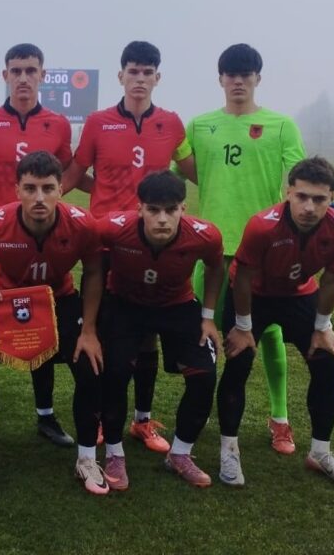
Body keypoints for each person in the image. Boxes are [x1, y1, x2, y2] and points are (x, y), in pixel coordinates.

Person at [63, 40, 196, 453]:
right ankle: (106, 418)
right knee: (107, 331)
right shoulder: (98, 122)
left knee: (148, 333)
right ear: (120, 76)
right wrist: (44, 200)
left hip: (154, 241)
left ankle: (141, 420)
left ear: (158, 78)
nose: (140, 79)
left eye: (147, 72)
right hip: (107, 241)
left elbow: (193, 171)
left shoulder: (172, 123)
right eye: (133, 71)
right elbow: (76, 172)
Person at [178, 43, 306, 455]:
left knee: (268, 335)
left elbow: (300, 180)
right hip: (212, 250)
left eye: (245, 75)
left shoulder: (281, 126)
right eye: (231, 74)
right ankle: (200, 415)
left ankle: (280, 418)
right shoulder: (199, 126)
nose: (238, 81)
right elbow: (180, 170)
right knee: (206, 333)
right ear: (220, 79)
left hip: (263, 251)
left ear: (257, 79)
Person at [0, 150, 107, 495]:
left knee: (89, 365)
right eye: (30, 188)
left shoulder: (82, 223)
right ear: (17, 190)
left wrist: (89, 330)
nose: (39, 197)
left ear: (61, 189)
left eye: (48, 188)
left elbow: (95, 272)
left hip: (57, 299)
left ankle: (87, 458)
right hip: (3, 300)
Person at [217, 156, 334, 487]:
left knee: (326, 360)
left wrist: (323, 328)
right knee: (239, 360)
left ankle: (320, 452)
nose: (309, 207)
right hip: (253, 294)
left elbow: (332, 279)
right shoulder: (262, 225)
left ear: (332, 197)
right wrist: (242, 327)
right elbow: (242, 277)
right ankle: (228, 450)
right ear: (289, 192)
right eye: (302, 197)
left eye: (319, 199)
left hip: (298, 294)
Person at [0, 43, 76, 447]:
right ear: (5, 76)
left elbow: (63, 175)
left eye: (31, 70)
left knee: (42, 327)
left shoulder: (58, 124)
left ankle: (45, 415)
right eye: (16, 71)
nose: (24, 78)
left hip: (40, 242)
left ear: (43, 75)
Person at [97, 172, 223, 490]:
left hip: (176, 305)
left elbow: (215, 267)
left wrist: (208, 317)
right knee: (114, 373)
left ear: (183, 208)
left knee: (204, 375)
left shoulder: (205, 235)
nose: (163, 219)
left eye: (171, 209)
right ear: (139, 208)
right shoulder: (112, 228)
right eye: (153, 210)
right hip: (125, 304)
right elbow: (91, 262)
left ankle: (180, 454)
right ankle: (114, 453)